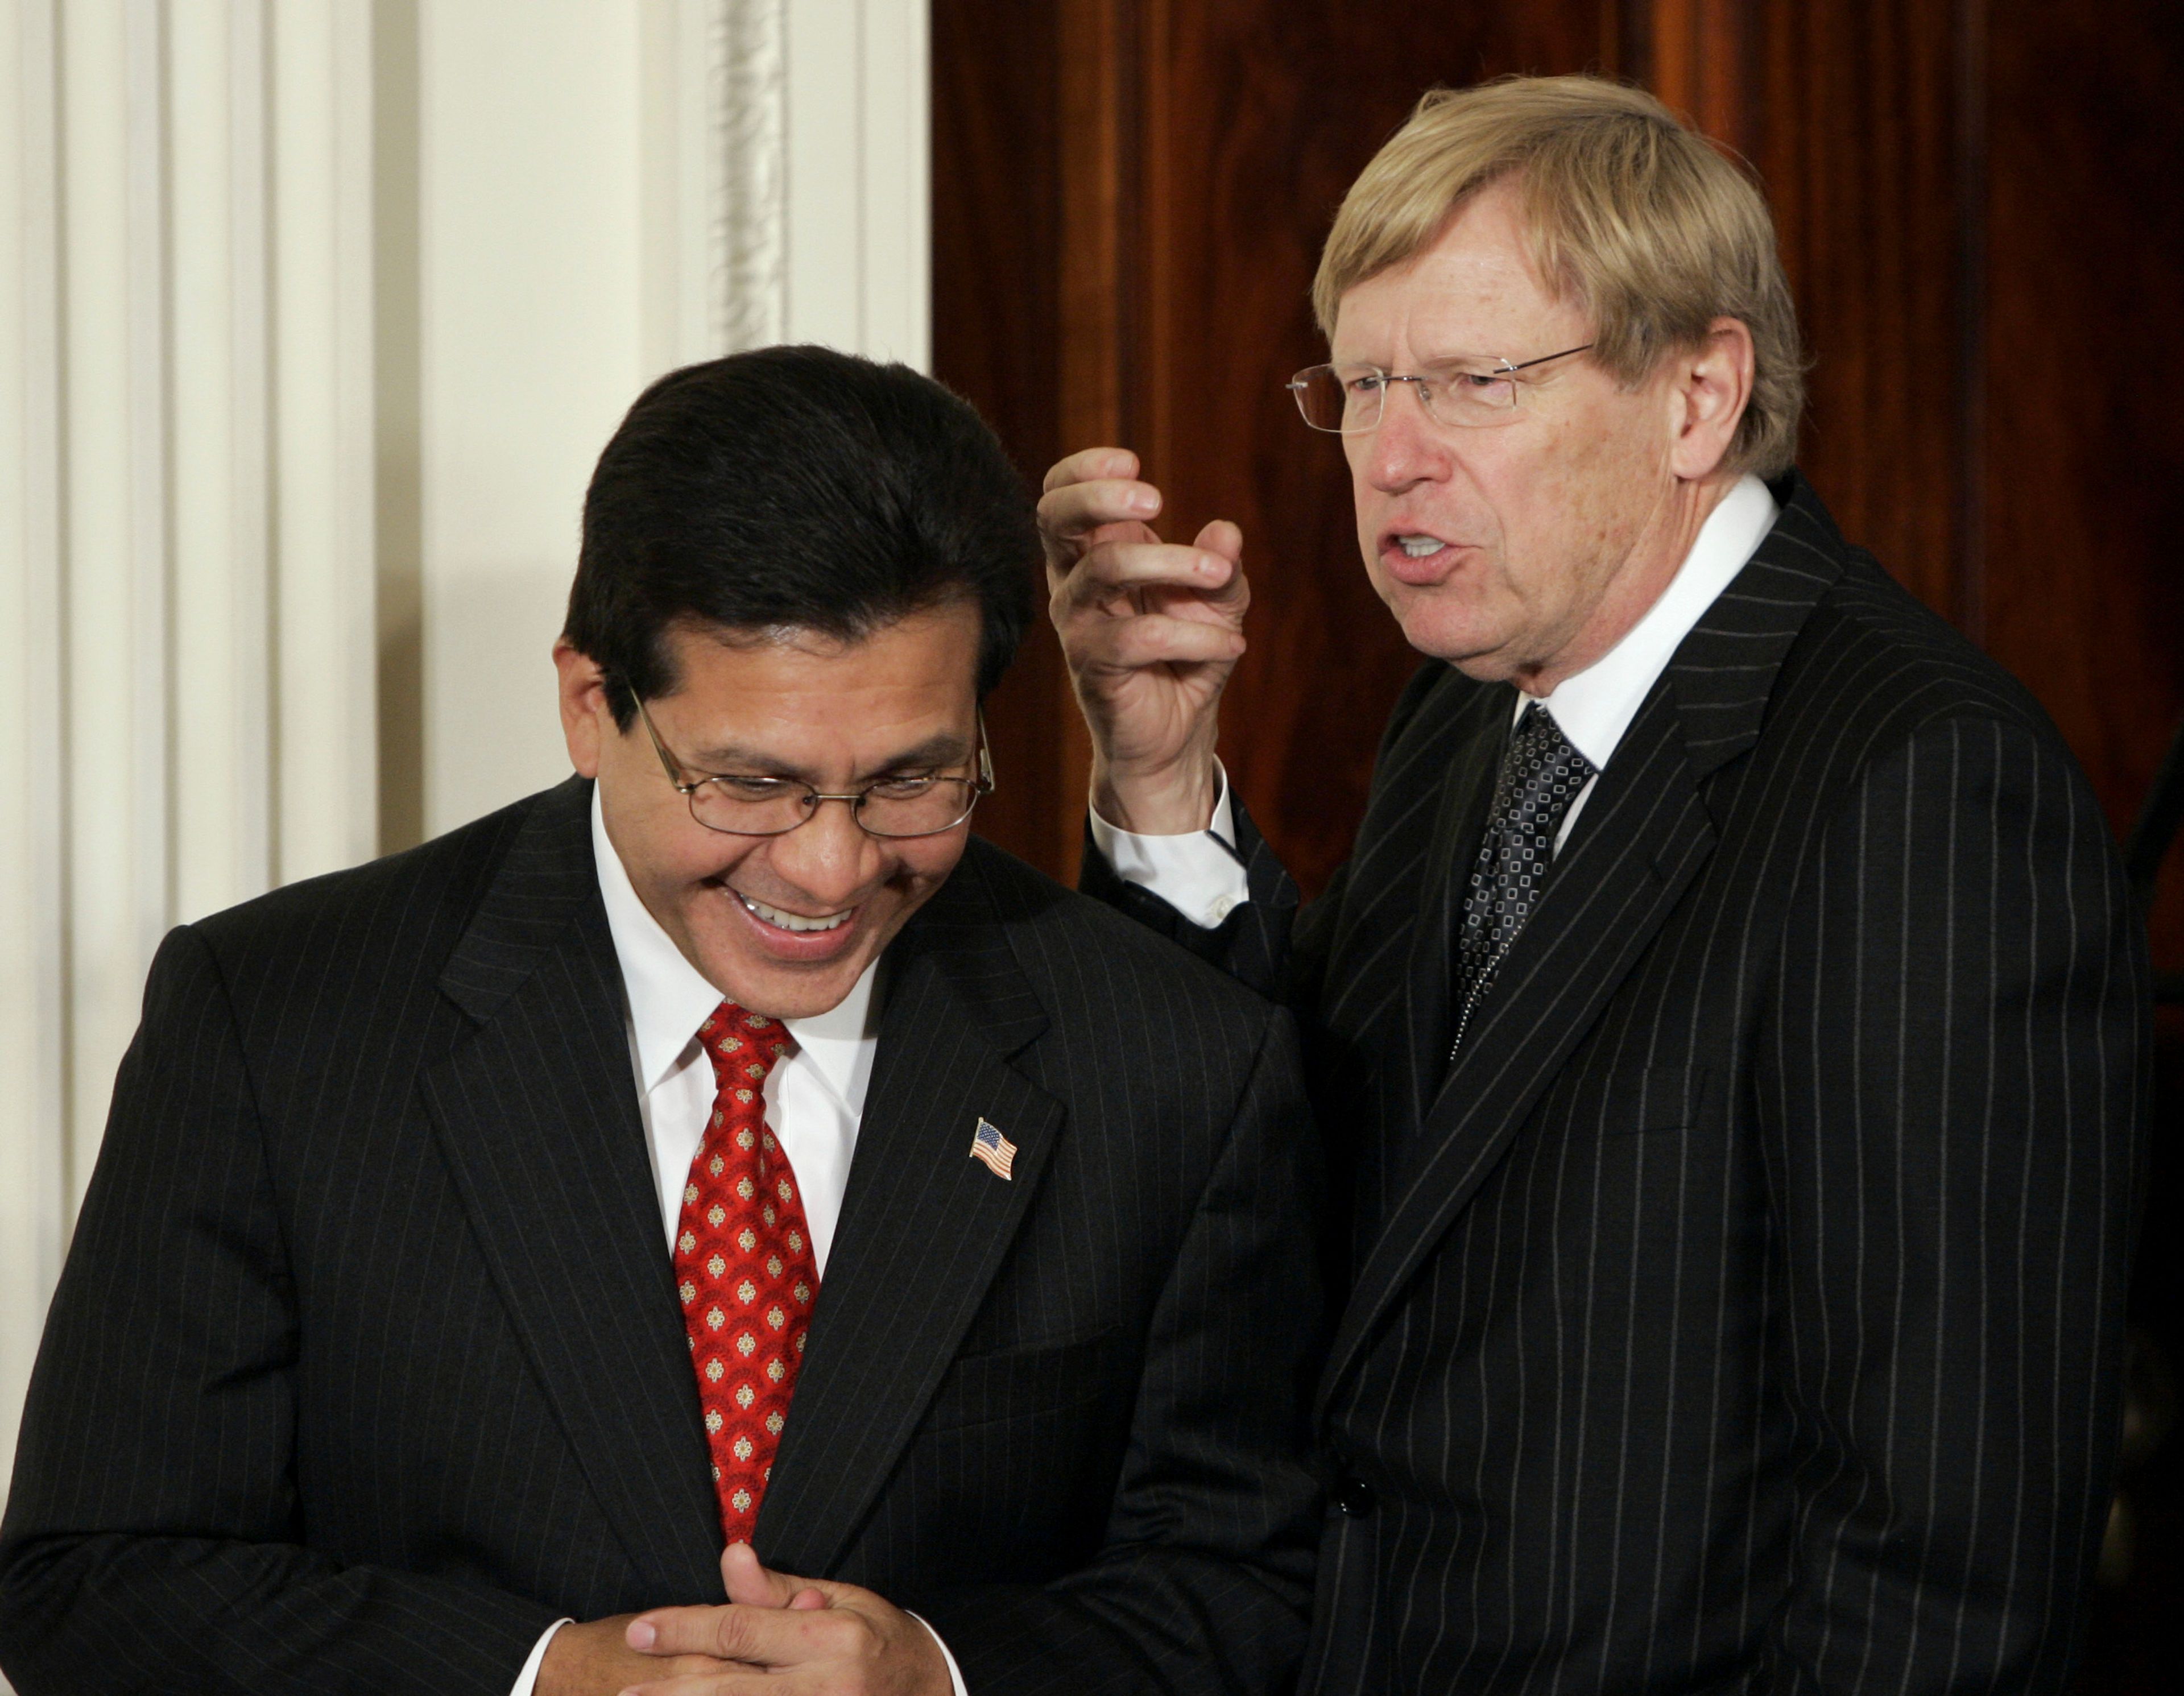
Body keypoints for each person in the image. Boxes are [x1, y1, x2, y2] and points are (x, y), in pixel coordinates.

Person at [1043, 76, 2146, 1695]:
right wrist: (1157, 785)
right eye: (1361, 385)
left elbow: (1944, 1567)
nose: (1393, 459)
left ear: (1699, 394)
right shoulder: (1471, 700)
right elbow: (1307, 1183)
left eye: (1475, 383)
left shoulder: (1919, 786)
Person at [0, 347, 1322, 1696]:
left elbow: (1245, 1587)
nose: (829, 868)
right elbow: (93, 1580)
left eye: (913, 779)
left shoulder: (1167, 1061)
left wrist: (946, 1675)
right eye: (750, 784)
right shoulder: (279, 1022)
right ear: (591, 706)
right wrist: (538, 1680)